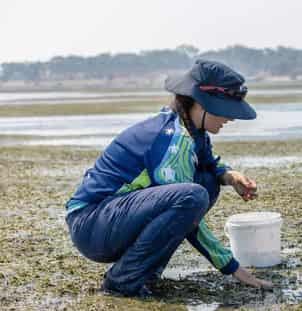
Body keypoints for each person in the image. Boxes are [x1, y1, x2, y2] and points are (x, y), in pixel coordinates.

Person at [65, 60, 273, 297]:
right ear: (200, 104)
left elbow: (207, 163)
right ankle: (122, 281)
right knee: (193, 196)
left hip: (110, 218)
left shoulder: (190, 130)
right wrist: (233, 268)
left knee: (206, 180)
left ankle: (146, 271)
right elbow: (188, 211)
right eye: (225, 109)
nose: (231, 118)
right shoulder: (175, 140)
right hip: (92, 223)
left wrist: (230, 176)